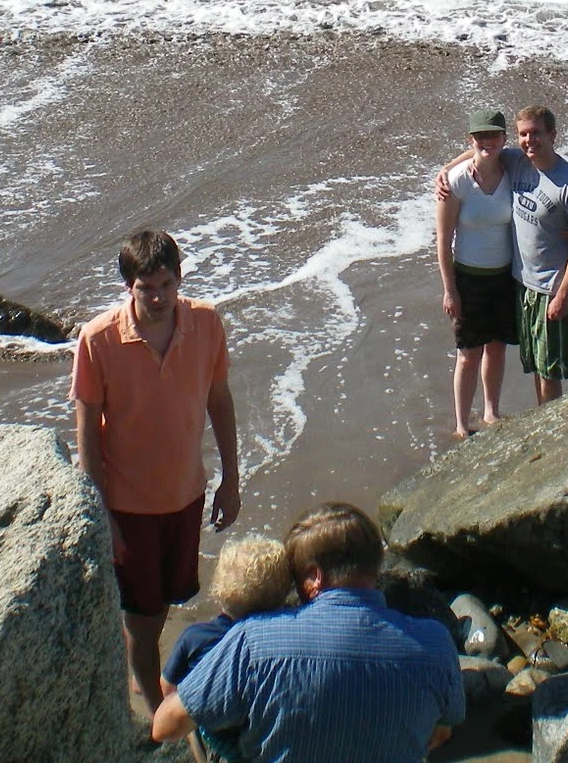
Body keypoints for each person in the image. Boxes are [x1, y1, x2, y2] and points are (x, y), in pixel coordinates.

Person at [71, 228, 242, 707]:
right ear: (129, 287)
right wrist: (100, 513)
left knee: (165, 603)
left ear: (179, 279)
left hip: (187, 495)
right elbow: (86, 428)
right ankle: (154, 708)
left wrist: (230, 480)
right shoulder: (98, 339)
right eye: (147, 288)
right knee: (141, 618)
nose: (159, 297)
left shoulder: (206, 324)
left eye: (167, 285)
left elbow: (219, 400)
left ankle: (143, 677)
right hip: (129, 507)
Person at [152, 502, 465, 763]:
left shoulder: (254, 642)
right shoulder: (436, 645)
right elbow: (441, 733)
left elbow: (165, 727)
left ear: (314, 578)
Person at [438, 105, 568, 405]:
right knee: (535, 363)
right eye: (523, 134)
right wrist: (444, 171)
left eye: (536, 133)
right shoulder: (517, 162)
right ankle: (543, 421)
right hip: (521, 284)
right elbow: (482, 150)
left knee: (550, 369)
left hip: (552, 289)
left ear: (553, 135)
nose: (529, 140)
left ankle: (552, 432)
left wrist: (562, 295)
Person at [161, 535, 293, 763]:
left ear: (219, 593)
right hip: (265, 731)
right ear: (281, 598)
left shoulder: (196, 637)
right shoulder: (285, 638)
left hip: (219, 735)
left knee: (190, 707)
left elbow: (168, 688)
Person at [435, 108, 517, 439]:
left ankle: (491, 413)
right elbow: (443, 238)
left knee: (497, 347)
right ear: (471, 139)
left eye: (493, 135)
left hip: (505, 276)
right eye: (480, 136)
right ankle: (460, 425)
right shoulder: (456, 182)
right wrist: (449, 290)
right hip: (468, 278)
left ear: (503, 138)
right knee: (469, 354)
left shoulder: (512, 168)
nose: (487, 142)